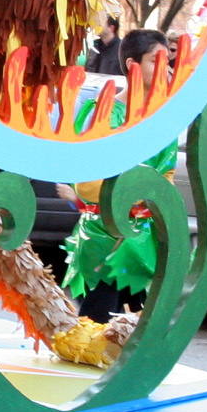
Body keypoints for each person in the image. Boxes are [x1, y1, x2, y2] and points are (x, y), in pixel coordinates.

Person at [62, 29, 178, 322]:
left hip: (143, 243)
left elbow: (166, 178)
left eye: (168, 60)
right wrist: (135, 196)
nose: (166, 67)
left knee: (137, 335)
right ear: (132, 65)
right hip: (104, 238)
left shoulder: (165, 121)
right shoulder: (103, 112)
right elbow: (86, 184)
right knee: (96, 331)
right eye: (156, 60)